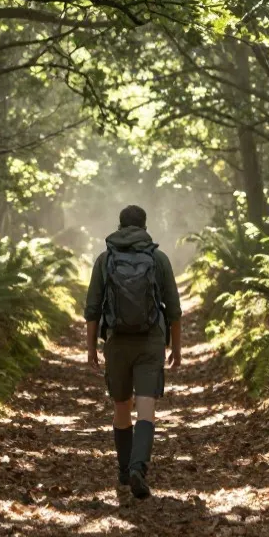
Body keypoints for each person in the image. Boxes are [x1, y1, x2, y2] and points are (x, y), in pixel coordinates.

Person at [83, 205, 182, 499]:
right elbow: (174, 310)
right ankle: (139, 467)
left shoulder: (105, 260)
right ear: (144, 226)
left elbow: (92, 309)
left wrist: (91, 348)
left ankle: (125, 470)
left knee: (121, 406)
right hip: (151, 341)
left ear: (120, 226)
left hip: (117, 343)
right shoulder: (158, 259)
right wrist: (176, 348)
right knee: (146, 408)